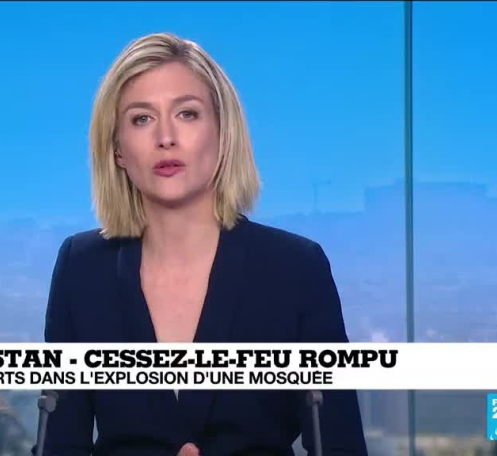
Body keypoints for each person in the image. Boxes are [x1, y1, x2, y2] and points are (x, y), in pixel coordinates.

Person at [37, 32, 368, 456]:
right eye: (141, 119)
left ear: (223, 132)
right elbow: (60, 444)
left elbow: (340, 446)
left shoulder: (296, 269)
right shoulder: (81, 267)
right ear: (117, 148)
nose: (166, 137)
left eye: (187, 114)